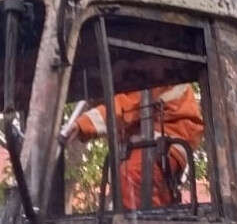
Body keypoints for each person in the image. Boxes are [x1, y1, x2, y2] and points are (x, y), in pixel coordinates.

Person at [64, 83, 204, 210]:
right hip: (151, 140)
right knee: (136, 188)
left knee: (132, 177)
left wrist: (83, 124)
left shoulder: (147, 68)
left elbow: (127, 106)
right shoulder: (128, 72)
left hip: (168, 134)